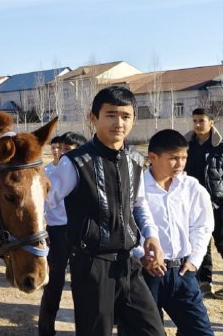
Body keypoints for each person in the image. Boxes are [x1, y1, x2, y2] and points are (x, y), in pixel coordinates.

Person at [47, 86, 165, 336]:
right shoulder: (75, 162)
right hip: (92, 265)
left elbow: (139, 205)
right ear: (94, 117)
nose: (119, 122)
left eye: (126, 116)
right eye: (111, 115)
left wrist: (151, 236)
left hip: (129, 262)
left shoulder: (134, 159)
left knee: (152, 330)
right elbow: (47, 200)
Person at [131, 129, 215, 335]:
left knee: (200, 330)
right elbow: (126, 226)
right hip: (145, 274)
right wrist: (141, 256)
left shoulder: (191, 187)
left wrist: (194, 259)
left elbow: (202, 225)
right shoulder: (135, 188)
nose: (180, 164)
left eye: (184, 157)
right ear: (153, 157)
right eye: (173, 158)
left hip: (182, 273)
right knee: (146, 331)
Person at [184, 107, 223, 299]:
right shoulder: (186, 145)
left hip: (215, 202)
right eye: (195, 120)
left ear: (211, 122)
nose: (198, 124)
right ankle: (204, 282)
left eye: (201, 120)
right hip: (191, 202)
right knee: (201, 242)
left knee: (222, 242)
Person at [39, 131, 87, 336]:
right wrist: (42, 231)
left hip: (82, 234)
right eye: (60, 148)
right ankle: (46, 329)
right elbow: (40, 204)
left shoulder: (86, 174)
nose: (62, 153)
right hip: (57, 233)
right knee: (53, 284)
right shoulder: (48, 172)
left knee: (83, 285)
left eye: (68, 150)